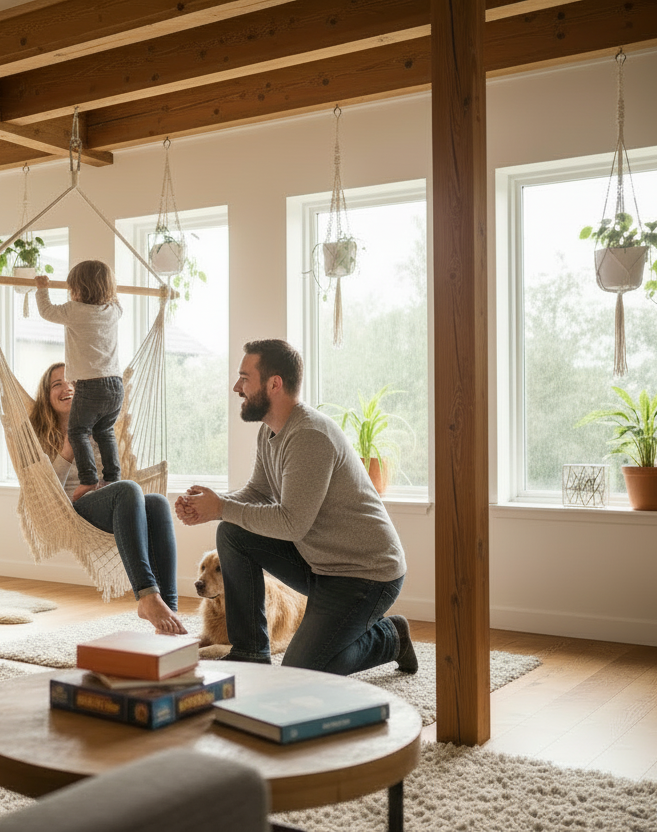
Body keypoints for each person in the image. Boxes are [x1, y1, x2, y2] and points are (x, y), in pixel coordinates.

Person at [174, 339, 416, 675]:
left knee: (302, 670)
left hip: (364, 575)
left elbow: (292, 523)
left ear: (274, 384)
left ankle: (391, 637)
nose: (236, 387)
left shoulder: (310, 436)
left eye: (245, 378)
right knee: (231, 533)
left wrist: (221, 508)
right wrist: (213, 505)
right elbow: (258, 491)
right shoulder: (270, 430)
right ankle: (250, 652)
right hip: (319, 564)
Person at [30, 361, 187, 635]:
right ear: (47, 396)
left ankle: (168, 607)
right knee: (128, 489)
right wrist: (67, 451)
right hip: (69, 511)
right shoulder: (38, 436)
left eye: (74, 383)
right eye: (57, 384)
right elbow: (41, 492)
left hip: (104, 504)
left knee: (157, 503)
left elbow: (112, 475)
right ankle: (147, 595)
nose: (67, 388)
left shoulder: (98, 428)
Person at [35, 260, 123, 502]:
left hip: (90, 385)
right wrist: (110, 292)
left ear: (79, 290)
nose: (71, 293)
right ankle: (113, 477)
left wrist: (42, 288)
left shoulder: (73, 310)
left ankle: (89, 478)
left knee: (78, 431)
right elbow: (117, 302)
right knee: (105, 431)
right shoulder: (113, 311)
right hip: (116, 386)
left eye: (72, 288)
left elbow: (46, 311)